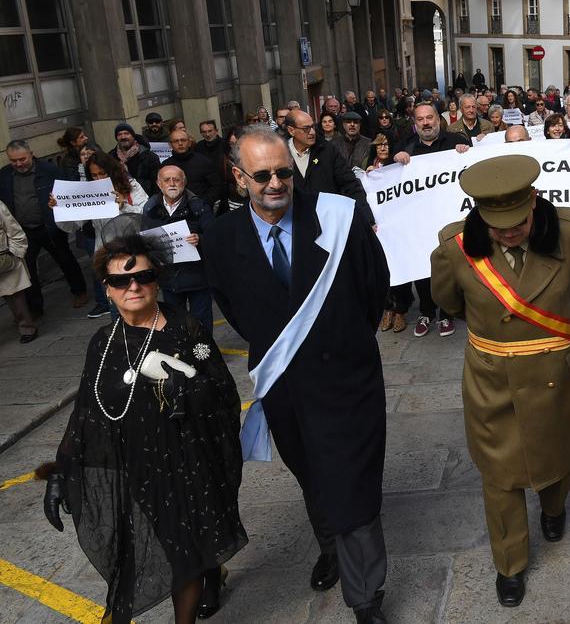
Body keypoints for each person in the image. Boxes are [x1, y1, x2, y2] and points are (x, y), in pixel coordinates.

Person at [203, 126, 390, 624]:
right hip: (285, 387)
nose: (275, 183)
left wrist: (343, 340)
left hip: (347, 381)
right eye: (261, 175)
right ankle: (330, 547)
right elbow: (238, 310)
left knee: (351, 484)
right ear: (240, 177)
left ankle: (366, 597)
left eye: (283, 172)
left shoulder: (337, 217)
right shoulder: (221, 238)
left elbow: (375, 288)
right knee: (314, 475)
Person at [43, 233, 246, 622]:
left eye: (143, 276)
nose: (132, 286)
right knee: (167, 545)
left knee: (180, 552)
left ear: (157, 280)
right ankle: (212, 571)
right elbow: (86, 411)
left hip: (187, 464)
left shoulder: (187, 330)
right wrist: (60, 471)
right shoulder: (102, 342)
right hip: (135, 467)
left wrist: (185, 388)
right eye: (120, 280)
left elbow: (223, 394)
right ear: (107, 289)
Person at [430, 154, 570, 607]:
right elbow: (448, 302)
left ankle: (554, 505)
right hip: (492, 379)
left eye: (517, 223)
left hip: (555, 371)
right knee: (499, 476)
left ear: (534, 203)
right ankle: (510, 564)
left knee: (559, 452)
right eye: (497, 225)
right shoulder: (455, 248)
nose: (508, 232)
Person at [391, 103, 470, 336]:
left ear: (438, 118)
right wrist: (395, 161)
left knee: (448, 267)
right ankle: (426, 311)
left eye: (430, 118)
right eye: (420, 119)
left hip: (448, 216)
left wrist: (467, 151)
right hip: (418, 220)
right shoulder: (405, 146)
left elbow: (472, 168)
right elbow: (388, 181)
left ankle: (446, 313)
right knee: (422, 266)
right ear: (415, 123)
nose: (426, 123)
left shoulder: (455, 141)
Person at [0, 140, 90, 314]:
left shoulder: (50, 171)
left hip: (49, 226)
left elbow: (67, 192)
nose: (18, 164)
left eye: (22, 159)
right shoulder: (4, 175)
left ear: (31, 154)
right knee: (28, 269)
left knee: (65, 258)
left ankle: (79, 291)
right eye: (14, 161)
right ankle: (35, 308)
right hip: (23, 230)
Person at [142, 165, 216, 332]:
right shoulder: (150, 209)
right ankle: (180, 352)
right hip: (169, 279)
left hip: (198, 277)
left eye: (176, 179)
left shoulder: (199, 207)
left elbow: (215, 237)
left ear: (184, 182)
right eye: (167, 180)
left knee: (201, 320)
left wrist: (200, 239)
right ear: (159, 184)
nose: (172, 183)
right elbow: (146, 241)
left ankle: (204, 354)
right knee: (174, 320)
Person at [285, 111, 375, 227]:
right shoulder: (279, 153)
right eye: (306, 129)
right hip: (294, 225)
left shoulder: (327, 150)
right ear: (291, 130)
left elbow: (350, 184)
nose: (312, 132)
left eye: (313, 127)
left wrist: (367, 219)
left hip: (329, 224)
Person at [0, 200, 37, 342]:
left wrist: (15, 253)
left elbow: (14, 230)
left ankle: (27, 327)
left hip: (4, 258)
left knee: (15, 295)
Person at [162, 128, 225, 210]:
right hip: (174, 209)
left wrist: (204, 203)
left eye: (183, 140)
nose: (180, 143)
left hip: (201, 208)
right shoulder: (166, 166)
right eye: (176, 141)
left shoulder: (203, 161)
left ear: (189, 142)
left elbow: (216, 186)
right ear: (170, 145)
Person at [112, 123, 163, 195]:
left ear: (133, 136)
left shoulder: (150, 157)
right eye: (119, 134)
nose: (123, 137)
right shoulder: (111, 157)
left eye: (126, 133)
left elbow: (157, 182)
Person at [218, 126, 249, 215]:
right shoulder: (224, 160)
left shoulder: (252, 157)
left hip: (252, 200)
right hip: (233, 201)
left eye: (237, 144)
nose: (234, 148)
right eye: (232, 144)